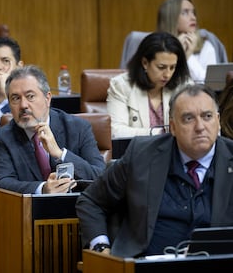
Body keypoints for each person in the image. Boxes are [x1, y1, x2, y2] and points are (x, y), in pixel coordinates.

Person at [76, 83, 233, 258]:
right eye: (189, 118)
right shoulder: (142, 155)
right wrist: (101, 248)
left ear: (218, 121)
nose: (200, 126)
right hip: (146, 263)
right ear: (172, 127)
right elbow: (91, 201)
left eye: (207, 116)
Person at [0, 65, 106, 194]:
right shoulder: (3, 138)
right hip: (29, 211)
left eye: (30, 96)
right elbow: (0, 182)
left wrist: (59, 154)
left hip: (76, 209)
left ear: (48, 98)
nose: (23, 105)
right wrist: (43, 188)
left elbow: (101, 178)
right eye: (16, 98)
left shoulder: (78, 128)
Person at [107, 31, 192, 138]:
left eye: (172, 67)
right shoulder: (121, 86)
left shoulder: (183, 85)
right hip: (137, 152)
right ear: (145, 63)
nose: (167, 74)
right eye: (161, 67)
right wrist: (160, 133)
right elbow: (115, 131)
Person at [157, 0, 217, 83]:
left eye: (193, 12)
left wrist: (188, 56)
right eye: (185, 13)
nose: (193, 18)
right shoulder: (156, 46)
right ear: (170, 17)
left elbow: (207, 82)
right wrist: (177, 52)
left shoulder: (206, 46)